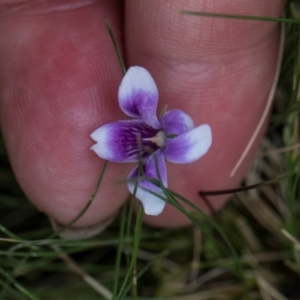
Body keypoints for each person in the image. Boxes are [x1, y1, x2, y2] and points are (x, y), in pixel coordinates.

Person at [0, 0, 285, 237]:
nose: (150, 139)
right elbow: (136, 111)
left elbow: (176, 126)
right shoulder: (144, 112)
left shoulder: (159, 128)